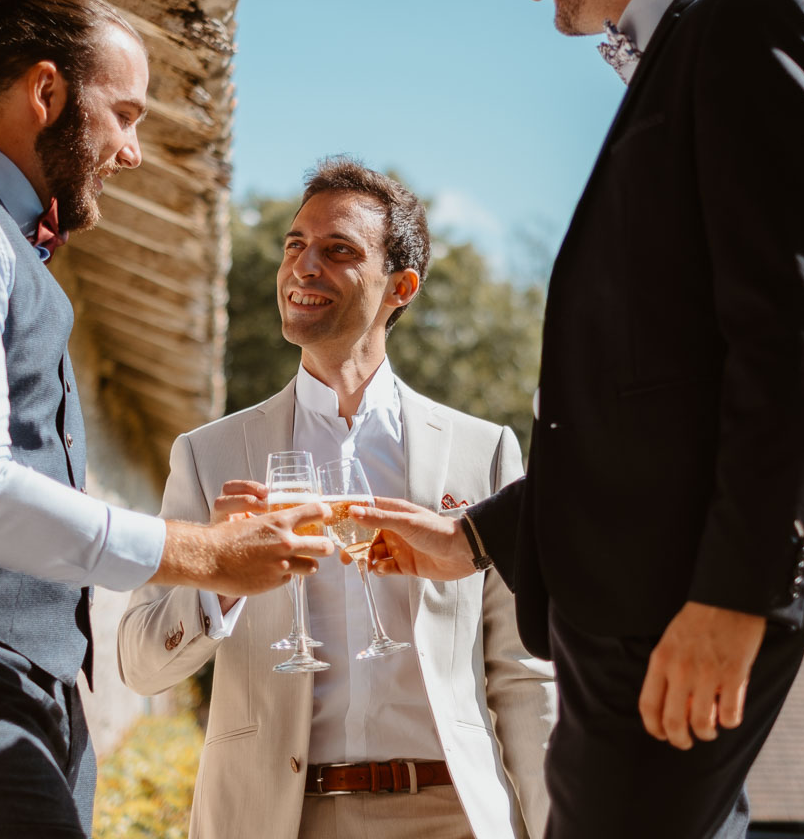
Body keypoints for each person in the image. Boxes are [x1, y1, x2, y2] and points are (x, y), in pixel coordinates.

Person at [356, 0, 804, 836]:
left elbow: (799, 332)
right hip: (643, 608)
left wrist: (736, 597)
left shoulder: (747, 29)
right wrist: (475, 538)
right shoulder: (679, 59)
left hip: (680, 612)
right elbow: (650, 402)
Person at [0, 0, 334, 839]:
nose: (131, 150)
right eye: (124, 114)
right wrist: (201, 552)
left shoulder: (3, 244)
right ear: (46, 92)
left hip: (27, 692)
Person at [117, 158, 556, 839]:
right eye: (295, 245)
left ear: (399, 287)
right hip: (276, 818)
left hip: (451, 813)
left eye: (338, 250)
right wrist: (218, 578)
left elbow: (523, 672)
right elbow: (141, 663)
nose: (304, 265)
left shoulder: (485, 451)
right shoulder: (208, 457)